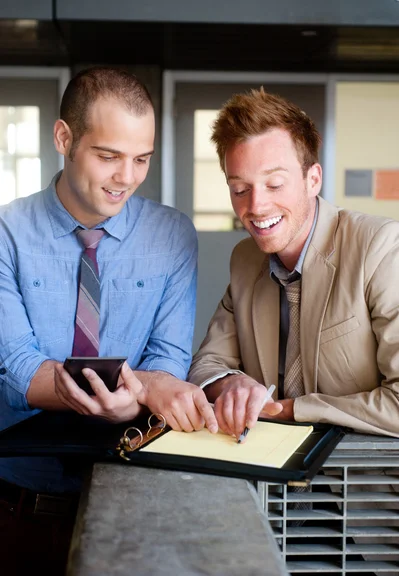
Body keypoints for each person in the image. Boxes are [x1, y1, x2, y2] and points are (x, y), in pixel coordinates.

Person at [0, 66, 216, 574]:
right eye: (108, 156)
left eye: (141, 159)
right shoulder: (6, 232)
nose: (127, 177)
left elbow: (169, 358)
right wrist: (140, 389)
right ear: (64, 138)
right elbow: (16, 366)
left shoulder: (172, 236)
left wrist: (140, 391)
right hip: (17, 505)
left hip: (135, 499)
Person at [188, 86, 399, 442]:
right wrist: (232, 384)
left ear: (312, 179)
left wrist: (291, 410)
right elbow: (207, 364)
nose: (256, 206)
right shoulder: (245, 259)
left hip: (359, 483)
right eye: (240, 189)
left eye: (274, 184)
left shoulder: (380, 248)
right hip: (265, 479)